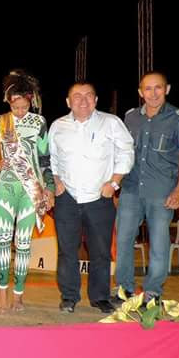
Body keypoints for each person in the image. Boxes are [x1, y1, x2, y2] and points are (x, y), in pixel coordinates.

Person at [49, 82, 134, 313]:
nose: (83, 100)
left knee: (100, 251)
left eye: (88, 96)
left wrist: (114, 183)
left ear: (96, 100)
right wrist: (56, 182)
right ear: (68, 102)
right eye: (77, 96)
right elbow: (52, 158)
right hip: (67, 197)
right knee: (67, 251)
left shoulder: (111, 123)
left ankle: (100, 297)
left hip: (100, 198)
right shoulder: (58, 126)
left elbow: (127, 152)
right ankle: (69, 296)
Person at [115, 71, 179, 302]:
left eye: (158, 87)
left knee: (159, 244)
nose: (153, 93)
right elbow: (121, 153)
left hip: (162, 192)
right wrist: (116, 186)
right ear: (140, 92)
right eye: (147, 89)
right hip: (131, 189)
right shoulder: (130, 118)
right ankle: (123, 289)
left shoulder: (178, 119)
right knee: (123, 241)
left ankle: (152, 291)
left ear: (166, 89)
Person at [0, 71, 54, 312]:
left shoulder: (39, 122)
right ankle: (2, 292)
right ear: (8, 101)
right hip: (5, 189)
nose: (19, 111)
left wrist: (48, 188)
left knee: (24, 243)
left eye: (24, 107)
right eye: (15, 107)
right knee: (2, 241)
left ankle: (18, 295)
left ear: (30, 101)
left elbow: (45, 158)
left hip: (30, 190)